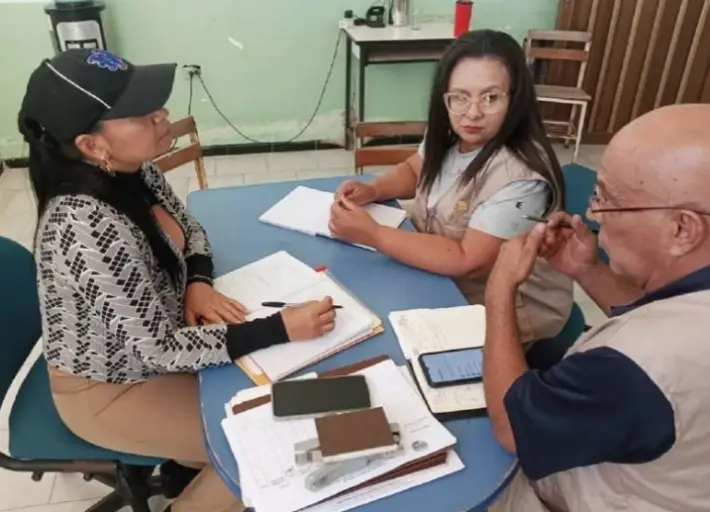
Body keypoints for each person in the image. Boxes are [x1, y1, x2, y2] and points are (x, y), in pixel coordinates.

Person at [19, 49, 335, 512]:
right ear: (91, 145)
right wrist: (279, 328)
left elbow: (191, 229)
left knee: (281, 396)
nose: (162, 114)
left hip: (159, 346)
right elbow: (158, 350)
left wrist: (198, 281)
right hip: (111, 386)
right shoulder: (84, 225)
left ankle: (185, 470)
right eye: (140, 112)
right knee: (259, 445)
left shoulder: (134, 167)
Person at [483, 103, 710, 511]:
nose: (591, 213)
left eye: (608, 198)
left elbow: (511, 428)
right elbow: (663, 314)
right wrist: (586, 271)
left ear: (682, 229)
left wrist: (499, 289)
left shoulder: (633, 369)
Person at [330, 30, 572, 343]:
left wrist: (373, 234)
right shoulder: (450, 131)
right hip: (437, 279)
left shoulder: (521, 176)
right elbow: (414, 170)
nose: (472, 113)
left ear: (516, 98)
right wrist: (373, 190)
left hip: (501, 310)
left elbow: (467, 260)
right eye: (459, 97)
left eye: (491, 97)